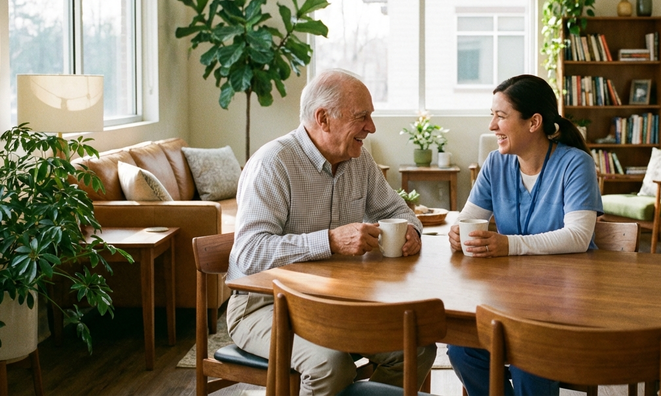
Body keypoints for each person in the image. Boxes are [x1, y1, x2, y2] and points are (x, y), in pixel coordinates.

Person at [226, 69, 435, 396]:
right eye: (361, 117)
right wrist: (331, 241)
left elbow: (397, 211)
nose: (372, 127)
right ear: (323, 119)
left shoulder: (359, 160)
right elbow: (250, 255)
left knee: (416, 347)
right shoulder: (273, 163)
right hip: (264, 306)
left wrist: (411, 231)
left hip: (337, 302)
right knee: (331, 364)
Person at [447, 74, 603, 396]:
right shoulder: (495, 164)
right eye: (492, 115)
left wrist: (508, 244)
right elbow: (470, 219)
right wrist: (460, 234)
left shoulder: (576, 164)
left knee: (527, 356)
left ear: (534, 122)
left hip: (563, 304)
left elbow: (578, 235)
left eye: (501, 116)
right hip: (508, 299)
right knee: (461, 350)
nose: (492, 126)